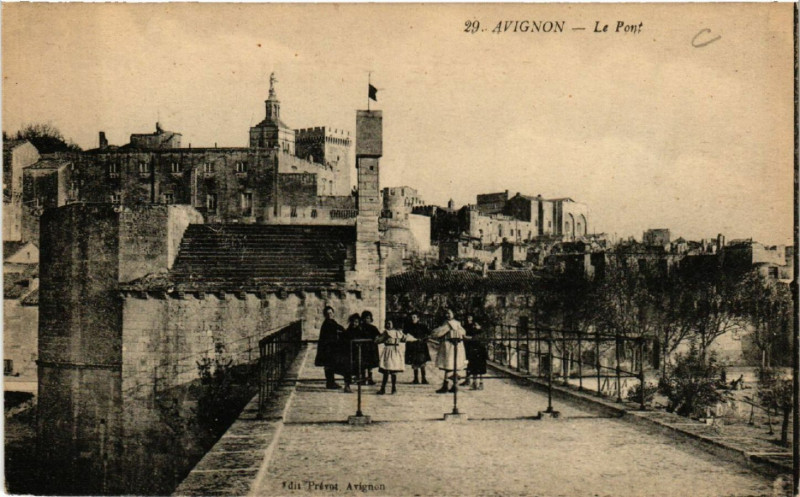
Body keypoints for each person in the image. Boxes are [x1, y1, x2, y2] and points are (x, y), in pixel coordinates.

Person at [429, 309, 468, 393]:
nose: (448, 315)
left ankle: (446, 386)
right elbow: (463, 332)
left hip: (449, 346)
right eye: (446, 313)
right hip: (457, 345)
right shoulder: (457, 323)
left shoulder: (448, 324)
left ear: (453, 314)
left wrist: (434, 332)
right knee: (453, 366)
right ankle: (454, 385)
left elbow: (438, 333)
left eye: (449, 313)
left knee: (448, 366)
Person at [375, 319, 417, 394]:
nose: (387, 325)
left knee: (387, 370)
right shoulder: (398, 333)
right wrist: (415, 339)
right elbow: (405, 338)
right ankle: (393, 389)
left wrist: (376, 339)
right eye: (386, 323)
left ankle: (384, 389)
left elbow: (379, 341)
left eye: (389, 323)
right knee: (393, 370)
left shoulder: (387, 333)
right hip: (396, 351)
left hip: (388, 351)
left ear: (393, 324)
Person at [314, 306, 346, 389]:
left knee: (330, 365)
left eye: (331, 313)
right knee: (329, 365)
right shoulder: (327, 323)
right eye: (327, 313)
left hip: (331, 348)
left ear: (333, 313)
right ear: (325, 315)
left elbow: (340, 328)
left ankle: (331, 382)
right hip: (327, 348)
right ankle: (330, 383)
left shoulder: (332, 322)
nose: (329, 315)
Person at [404, 312, 432, 384]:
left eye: (414, 317)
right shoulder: (408, 326)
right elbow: (405, 335)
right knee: (414, 362)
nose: (412, 319)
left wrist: (423, 339)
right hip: (412, 346)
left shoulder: (423, 326)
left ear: (418, 318)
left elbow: (428, 335)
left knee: (422, 362)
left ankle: (424, 379)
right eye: (411, 317)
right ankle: (415, 379)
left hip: (421, 346)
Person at [461, 313, 487, 390]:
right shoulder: (472, 329)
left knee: (479, 367)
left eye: (477, 325)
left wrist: (466, 337)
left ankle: (479, 383)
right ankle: (474, 382)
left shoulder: (480, 331)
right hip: (474, 349)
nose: (475, 326)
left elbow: (474, 338)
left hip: (479, 350)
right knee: (473, 365)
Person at [342, 313, 363, 393]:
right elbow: (344, 340)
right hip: (348, 353)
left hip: (357, 353)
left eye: (356, 322)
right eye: (353, 322)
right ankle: (347, 386)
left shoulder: (360, 331)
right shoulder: (348, 331)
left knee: (358, 368)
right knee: (347, 369)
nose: (355, 323)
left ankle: (358, 384)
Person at [359, 310, 381, 385]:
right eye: (365, 318)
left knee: (370, 364)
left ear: (371, 319)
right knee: (363, 363)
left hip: (371, 348)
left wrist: (376, 339)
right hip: (363, 348)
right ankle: (363, 378)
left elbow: (378, 336)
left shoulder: (373, 328)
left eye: (368, 318)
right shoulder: (360, 327)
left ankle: (370, 378)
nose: (366, 320)